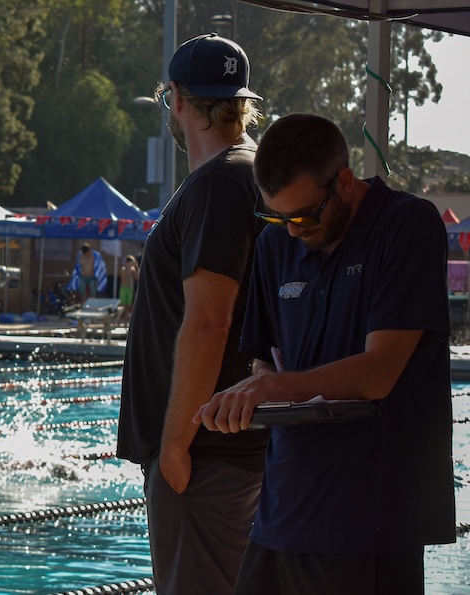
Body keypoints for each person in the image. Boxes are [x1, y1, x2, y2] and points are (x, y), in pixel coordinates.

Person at [195, 113, 455, 594]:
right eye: (277, 216)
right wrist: (257, 390)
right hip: (281, 514)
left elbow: (378, 373)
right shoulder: (274, 244)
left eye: (304, 216)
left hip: (369, 522)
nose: (293, 231)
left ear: (345, 182)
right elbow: (265, 360)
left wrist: (274, 386)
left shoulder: (406, 225)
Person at [115, 33, 267, 595]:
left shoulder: (219, 183)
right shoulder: (248, 172)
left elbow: (209, 321)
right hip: (227, 449)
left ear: (176, 99)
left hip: (206, 456)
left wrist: (175, 446)